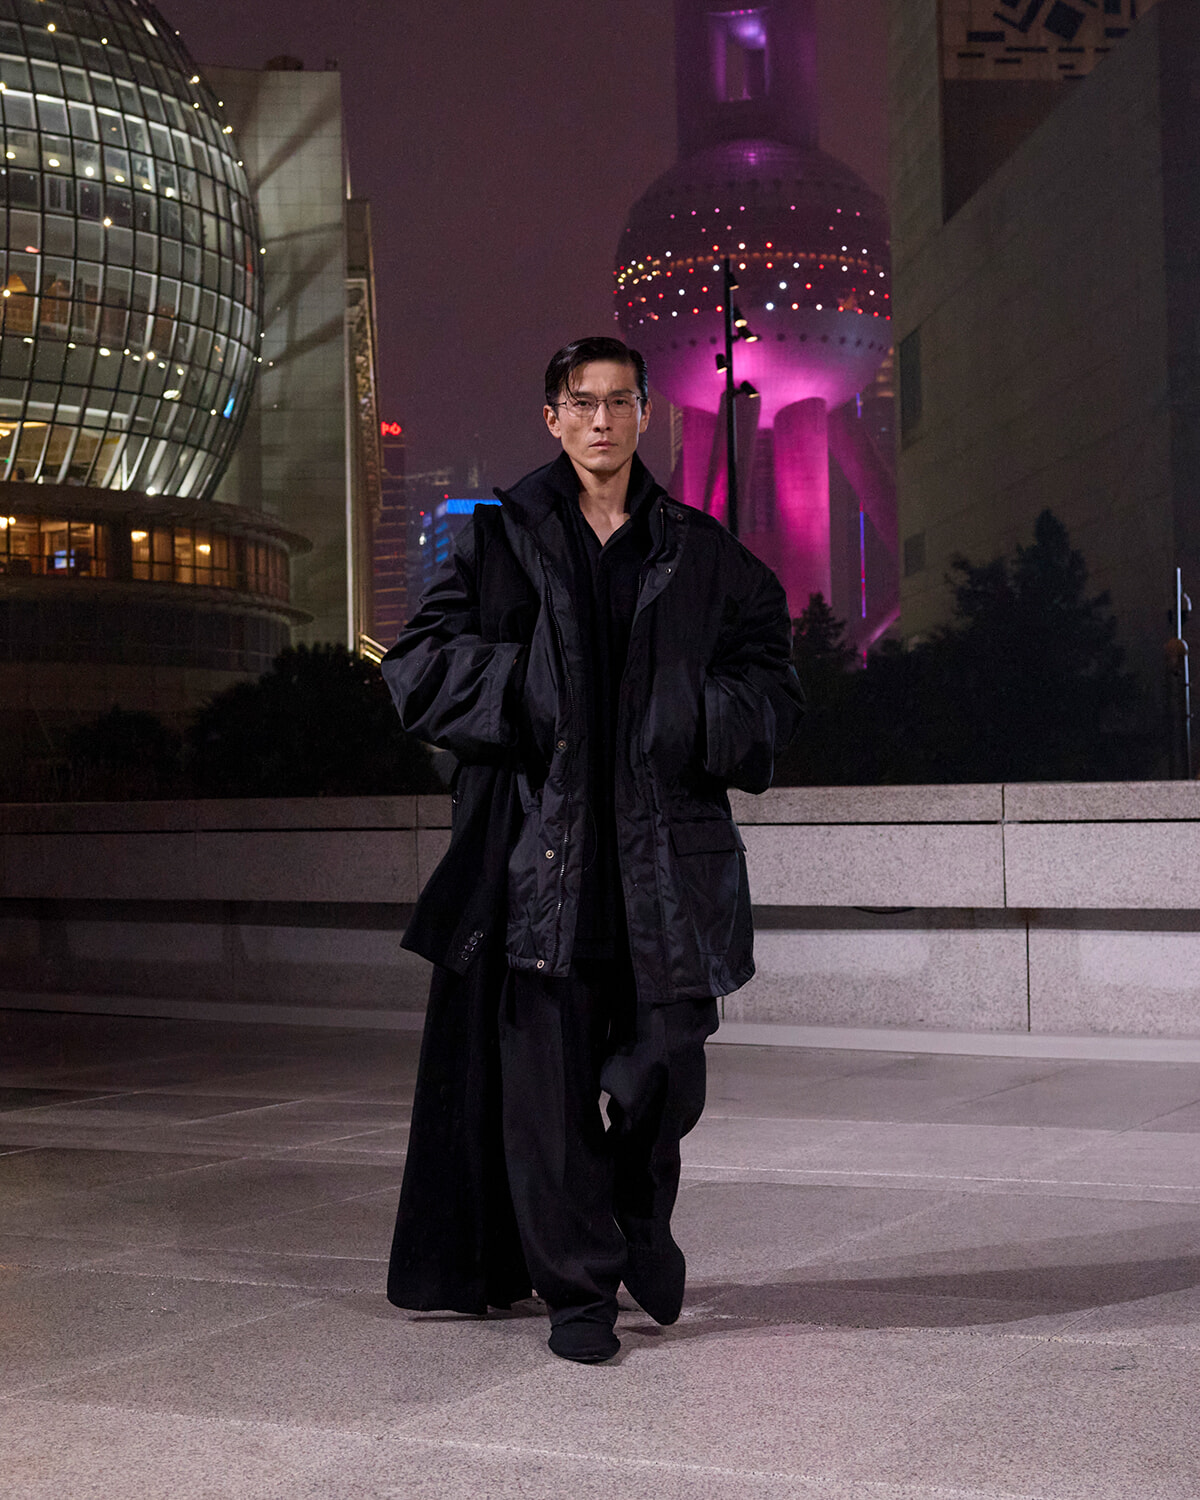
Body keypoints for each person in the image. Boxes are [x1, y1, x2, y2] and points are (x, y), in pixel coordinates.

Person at [381, 335, 802, 1363]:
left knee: (669, 1075)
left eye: (621, 401)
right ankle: (578, 1292)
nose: (603, 420)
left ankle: (640, 1222)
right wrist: (529, 691)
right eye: (584, 402)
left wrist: (690, 714)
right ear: (553, 417)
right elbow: (418, 671)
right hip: (543, 868)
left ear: (647, 415)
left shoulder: (700, 550)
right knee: (547, 1097)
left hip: (664, 870)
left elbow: (773, 691)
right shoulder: (494, 538)